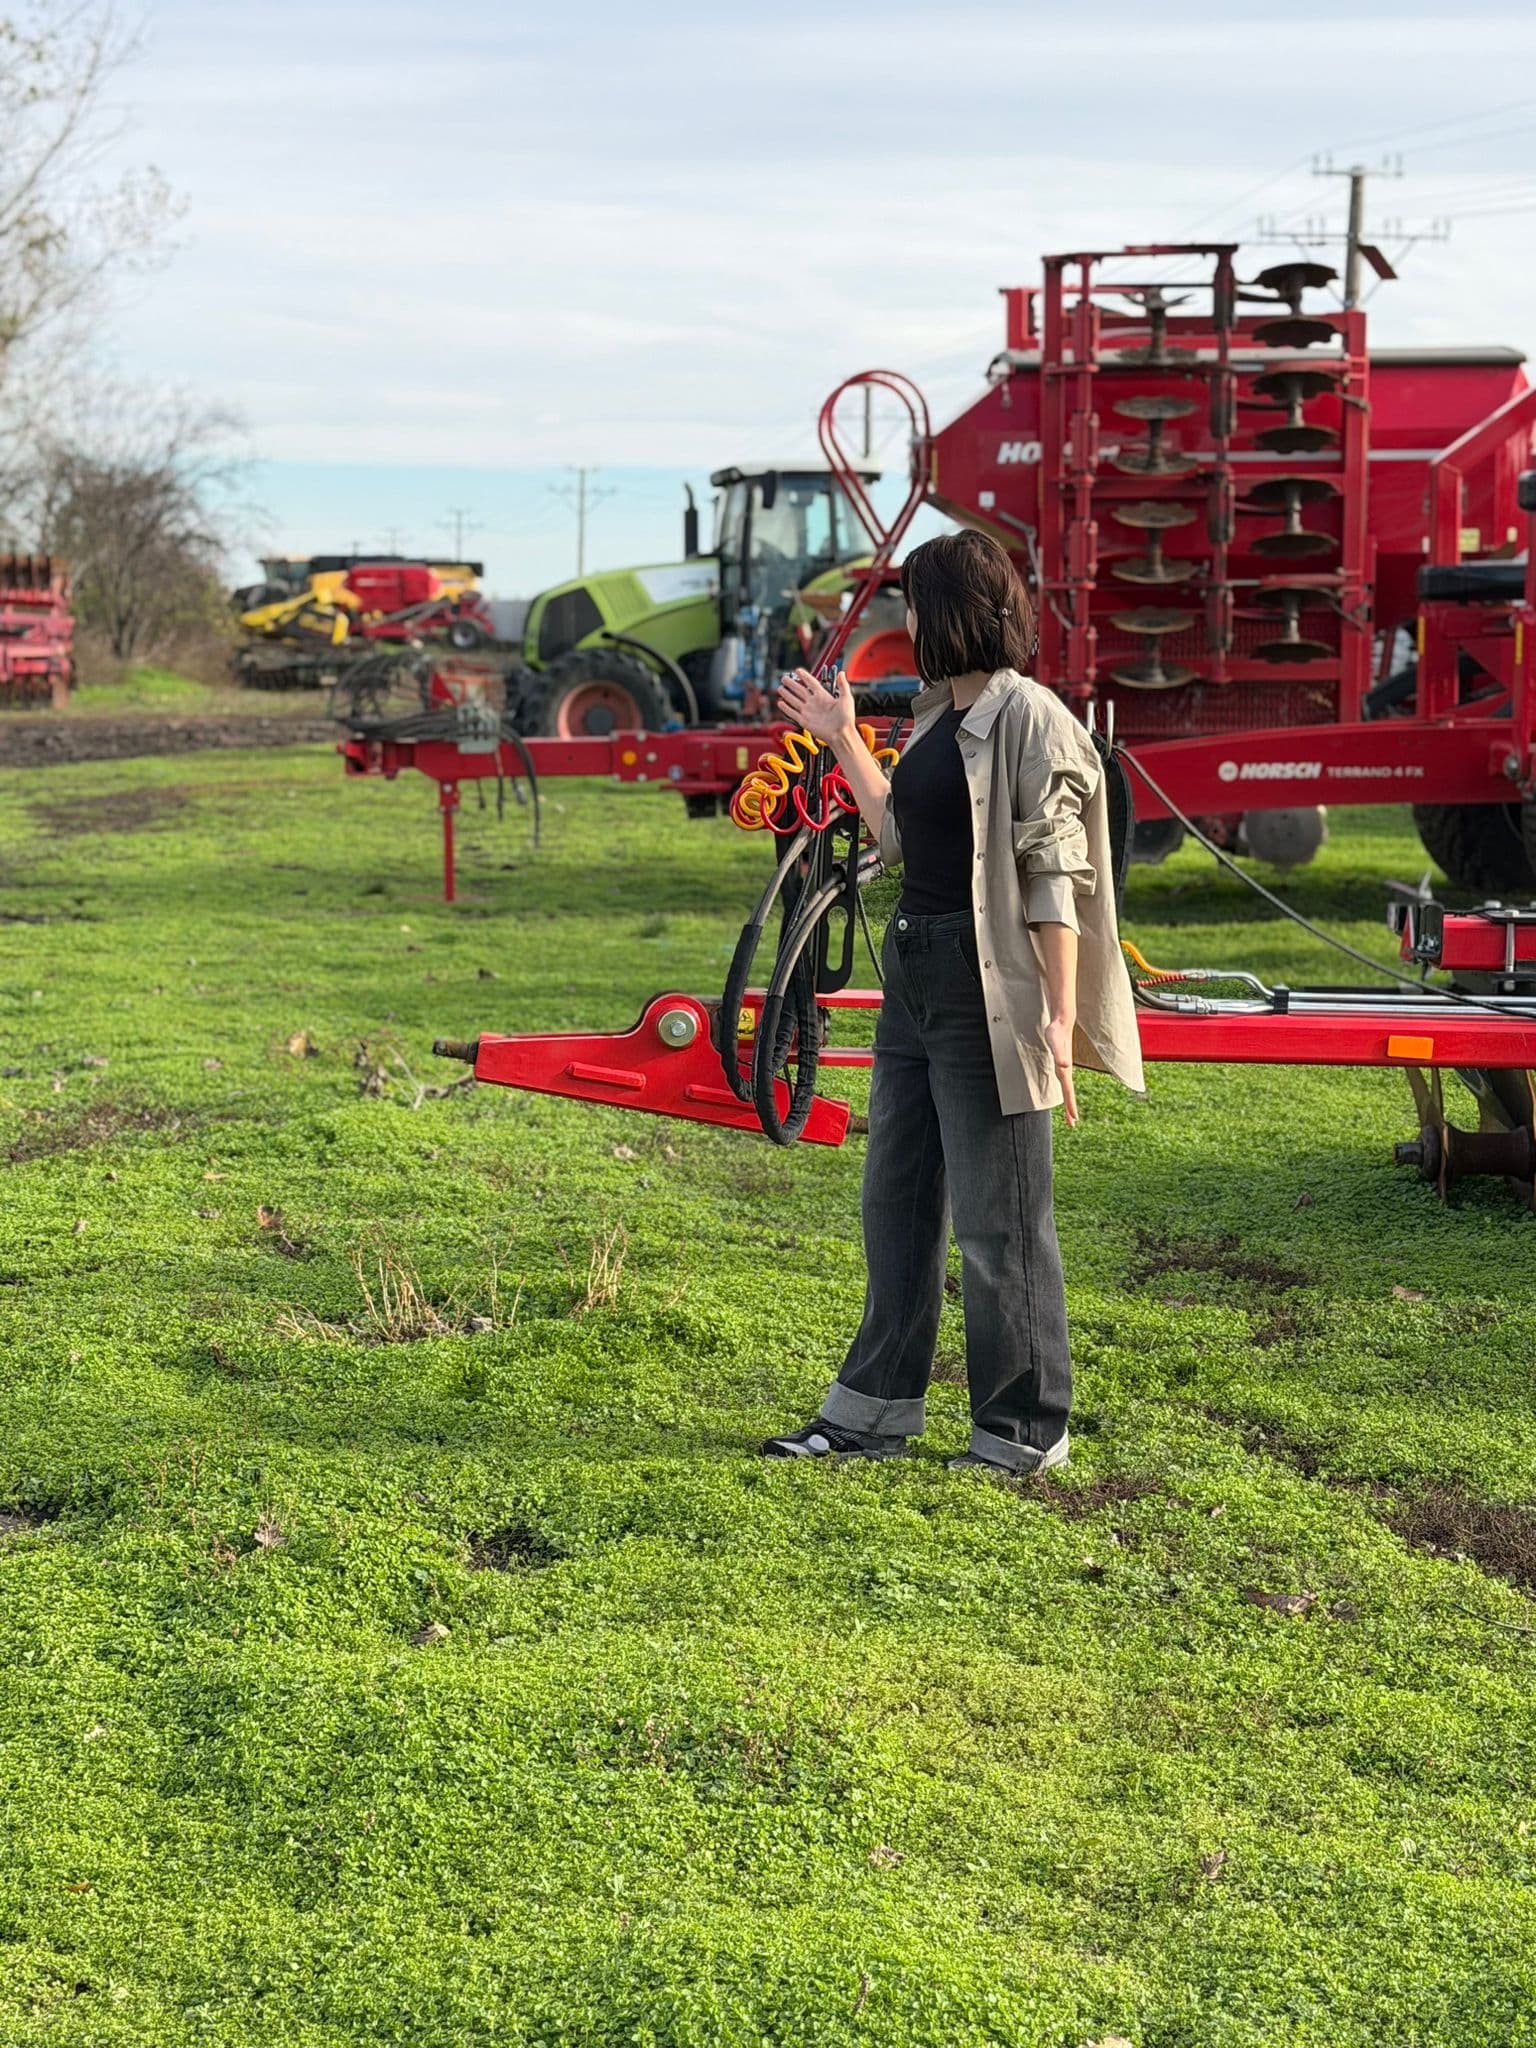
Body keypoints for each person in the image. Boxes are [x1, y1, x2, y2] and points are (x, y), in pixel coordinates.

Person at [761, 529, 1144, 1475]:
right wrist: (841, 733)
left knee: (998, 1219)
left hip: (988, 985)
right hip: (917, 973)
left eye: (916, 604)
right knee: (895, 1200)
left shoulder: (1031, 717)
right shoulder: (942, 715)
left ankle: (1024, 1431)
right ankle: (873, 1412)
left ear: (953, 611)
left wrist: (1057, 1015)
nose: (909, 622)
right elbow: (897, 835)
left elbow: (1054, 875)